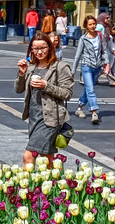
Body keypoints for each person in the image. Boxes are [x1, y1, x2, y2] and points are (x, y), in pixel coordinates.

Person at [16, 33, 74, 169]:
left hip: (50, 119)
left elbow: (67, 93)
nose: (39, 52)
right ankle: (56, 185)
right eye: (35, 49)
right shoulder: (31, 67)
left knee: (28, 156)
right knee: (47, 158)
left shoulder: (60, 67)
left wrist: (46, 86)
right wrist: (22, 73)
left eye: (43, 47)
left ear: (50, 47)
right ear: (31, 50)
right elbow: (18, 89)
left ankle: (24, 188)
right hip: (34, 118)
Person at [72, 14, 106, 125]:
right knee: (91, 89)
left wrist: (107, 64)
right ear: (86, 26)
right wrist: (73, 71)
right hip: (86, 66)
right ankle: (94, 112)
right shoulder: (83, 39)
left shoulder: (100, 36)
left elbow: (104, 51)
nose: (92, 26)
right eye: (90, 24)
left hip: (97, 67)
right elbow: (77, 55)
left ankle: (79, 107)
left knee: (88, 89)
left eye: (94, 24)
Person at [96, 12, 115, 86]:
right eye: (106, 18)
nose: (108, 19)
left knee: (105, 66)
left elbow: (106, 38)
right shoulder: (100, 26)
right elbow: (99, 37)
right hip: (101, 49)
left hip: (105, 48)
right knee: (103, 66)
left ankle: (95, 79)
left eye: (108, 18)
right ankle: (111, 80)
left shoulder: (106, 27)